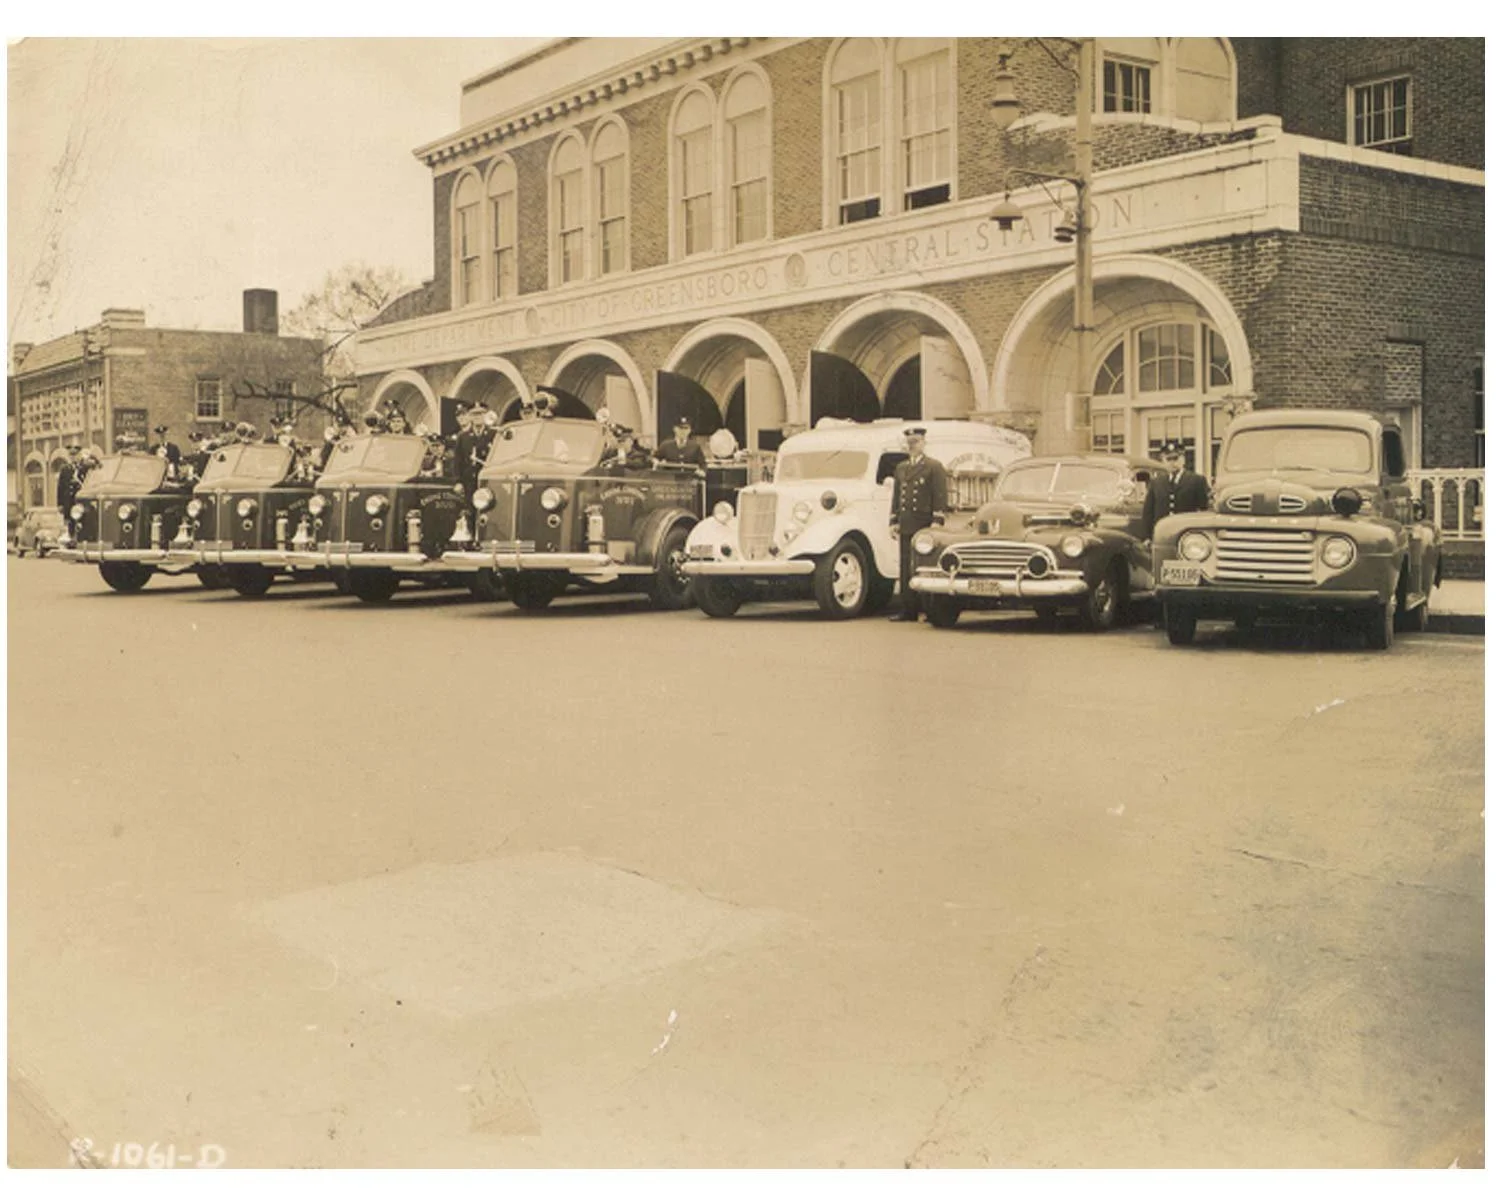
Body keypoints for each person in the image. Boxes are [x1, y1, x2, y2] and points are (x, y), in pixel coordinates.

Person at [889, 426, 949, 621]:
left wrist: (937, 520)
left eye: (915, 442)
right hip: (907, 523)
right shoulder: (901, 468)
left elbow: (939, 495)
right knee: (906, 567)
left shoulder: (934, 467)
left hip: (924, 524)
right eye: (909, 443)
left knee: (925, 566)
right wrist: (894, 520)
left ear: (924, 443)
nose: (912, 446)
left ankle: (929, 609)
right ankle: (909, 609)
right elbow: (897, 496)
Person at [1142, 438, 1210, 540]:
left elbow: (1203, 511)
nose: (1172, 463)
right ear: (1163, 461)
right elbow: (1148, 512)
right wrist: (1148, 537)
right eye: (1168, 459)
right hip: (1162, 535)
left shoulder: (1197, 480)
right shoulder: (1156, 482)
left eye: (1175, 458)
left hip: (1187, 535)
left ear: (1183, 459)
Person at [57, 443, 85, 537]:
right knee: (71, 524)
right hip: (69, 502)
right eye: (71, 455)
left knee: (83, 523)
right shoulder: (65, 469)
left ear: (79, 455)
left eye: (75, 454)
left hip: (80, 502)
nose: (73, 457)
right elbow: (60, 487)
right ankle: (72, 538)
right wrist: (60, 504)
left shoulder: (83, 468)